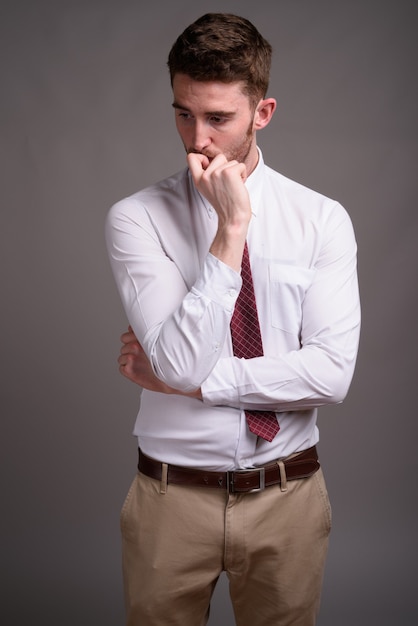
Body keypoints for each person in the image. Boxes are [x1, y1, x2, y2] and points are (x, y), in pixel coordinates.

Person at [105, 12, 360, 626]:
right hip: (170, 501)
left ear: (262, 113)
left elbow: (330, 377)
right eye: (183, 113)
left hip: (289, 498)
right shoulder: (136, 218)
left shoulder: (321, 219)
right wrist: (232, 229)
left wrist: (188, 383)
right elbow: (186, 359)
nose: (198, 138)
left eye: (219, 118)